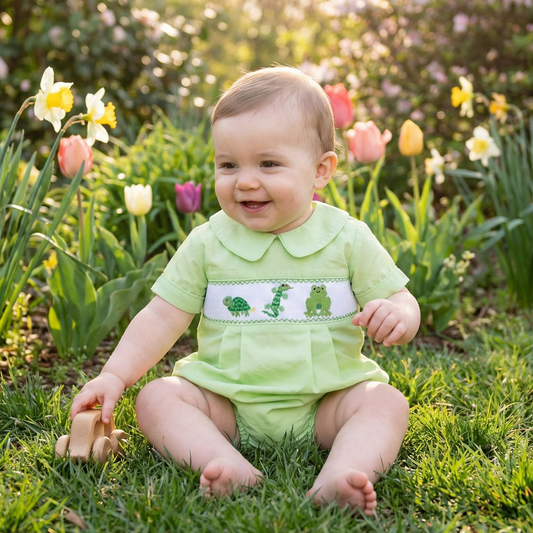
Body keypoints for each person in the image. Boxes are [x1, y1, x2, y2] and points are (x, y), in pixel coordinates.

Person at [70, 66, 420, 516]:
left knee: (385, 402)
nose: (246, 180)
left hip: (326, 403)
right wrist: (115, 375)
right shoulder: (208, 241)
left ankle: (344, 472)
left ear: (320, 170)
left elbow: (400, 298)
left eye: (268, 163)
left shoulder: (347, 238)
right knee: (157, 397)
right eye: (228, 165)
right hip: (227, 404)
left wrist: (399, 316)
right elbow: (161, 317)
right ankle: (223, 461)